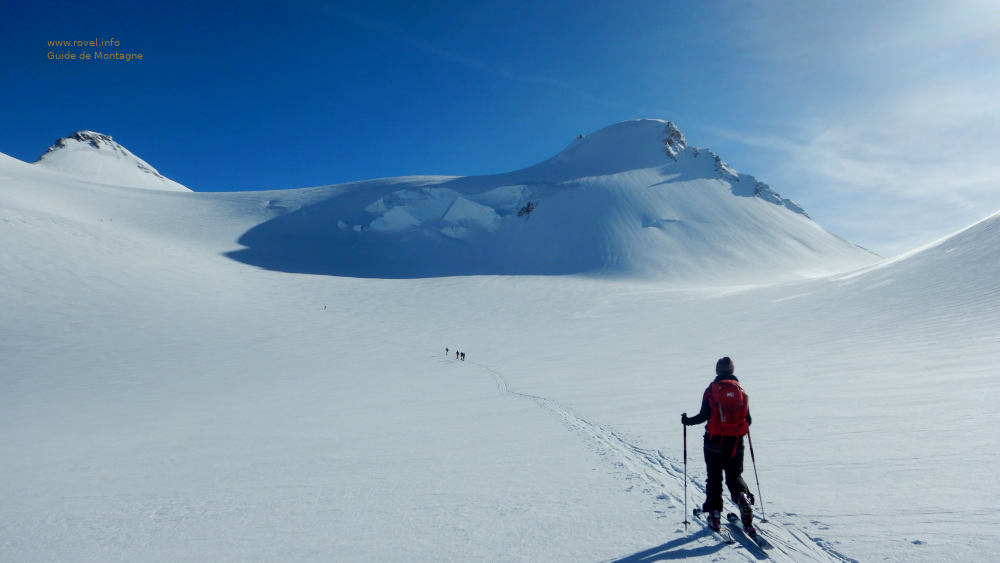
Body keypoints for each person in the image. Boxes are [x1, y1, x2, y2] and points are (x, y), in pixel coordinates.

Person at [681, 356, 755, 534]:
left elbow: (703, 415)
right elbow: (748, 420)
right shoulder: (741, 392)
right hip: (736, 442)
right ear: (732, 371)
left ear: (717, 371)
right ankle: (743, 498)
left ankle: (714, 515)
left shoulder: (711, 390)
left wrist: (686, 421)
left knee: (714, 478)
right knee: (734, 475)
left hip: (714, 442)